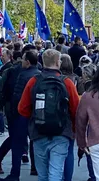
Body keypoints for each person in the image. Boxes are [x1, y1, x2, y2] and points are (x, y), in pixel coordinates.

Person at [18, 49, 80, 181]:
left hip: (39, 131)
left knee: (43, 174)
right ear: (58, 62)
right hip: (61, 132)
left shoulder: (33, 81)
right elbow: (76, 109)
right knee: (56, 172)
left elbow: (22, 108)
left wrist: (35, 116)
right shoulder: (67, 82)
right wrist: (74, 128)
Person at [0, 50, 40, 181]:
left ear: (27, 62)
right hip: (35, 114)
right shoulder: (39, 74)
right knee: (33, 141)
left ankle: (14, 173)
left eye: (23, 60)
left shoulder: (23, 75)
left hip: (22, 114)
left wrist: (14, 112)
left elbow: (17, 96)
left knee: (17, 143)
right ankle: (35, 167)